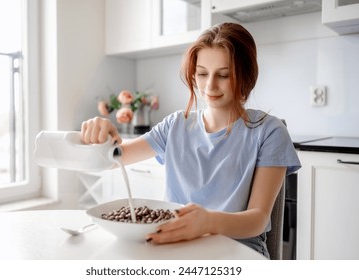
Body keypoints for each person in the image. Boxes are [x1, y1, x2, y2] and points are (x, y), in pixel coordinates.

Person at [80, 22, 301, 258]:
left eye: (224, 75)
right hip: (175, 245)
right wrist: (102, 134)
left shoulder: (269, 131)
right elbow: (114, 159)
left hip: (239, 251)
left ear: (245, 75)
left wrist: (209, 222)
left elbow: (257, 219)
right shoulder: (175, 125)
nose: (210, 85)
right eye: (202, 73)